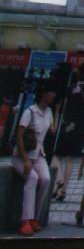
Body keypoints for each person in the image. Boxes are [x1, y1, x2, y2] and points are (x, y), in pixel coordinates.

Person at [11, 80, 57, 236]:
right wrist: (25, 159)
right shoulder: (29, 112)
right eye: (51, 92)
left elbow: (52, 131)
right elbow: (19, 135)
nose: (53, 95)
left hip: (38, 155)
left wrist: (58, 112)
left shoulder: (49, 111)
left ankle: (34, 218)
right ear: (43, 94)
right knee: (32, 178)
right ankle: (25, 220)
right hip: (21, 156)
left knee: (46, 179)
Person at [53, 61, 84, 202]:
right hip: (81, 126)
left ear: (78, 74)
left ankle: (59, 180)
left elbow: (64, 107)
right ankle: (63, 190)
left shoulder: (70, 88)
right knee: (70, 159)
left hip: (68, 125)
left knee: (57, 155)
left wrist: (61, 122)